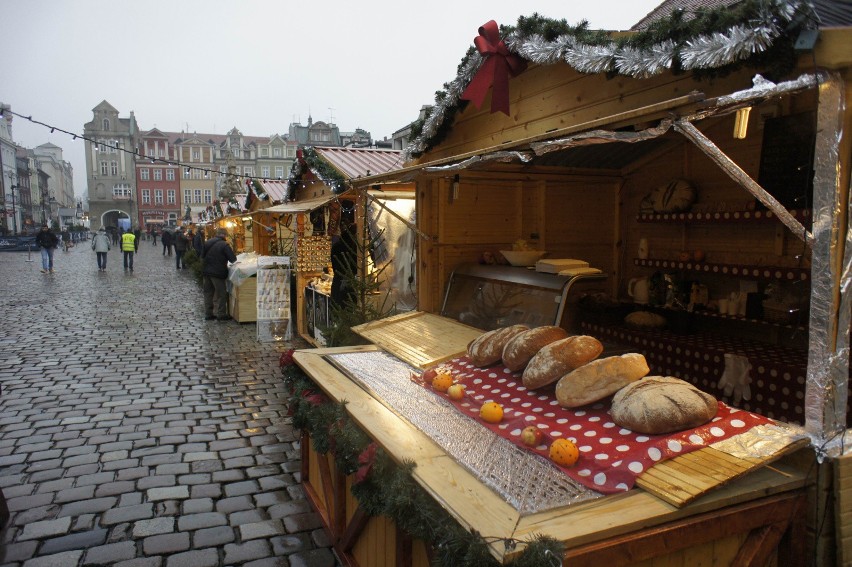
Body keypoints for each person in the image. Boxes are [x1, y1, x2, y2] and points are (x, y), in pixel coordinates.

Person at [201, 228, 237, 321]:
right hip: (218, 273)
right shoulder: (224, 245)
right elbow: (233, 259)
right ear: (224, 235)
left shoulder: (208, 242)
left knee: (208, 293)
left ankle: (208, 314)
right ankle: (221, 314)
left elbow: (202, 256)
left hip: (206, 271)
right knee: (221, 294)